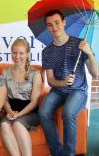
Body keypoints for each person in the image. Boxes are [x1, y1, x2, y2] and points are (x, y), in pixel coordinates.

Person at [38, 10, 98, 156]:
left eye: (57, 23)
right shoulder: (47, 52)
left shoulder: (80, 44)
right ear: (47, 28)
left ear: (64, 23)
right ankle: (57, 152)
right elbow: (51, 81)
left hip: (78, 90)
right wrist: (63, 83)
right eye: (50, 25)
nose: (54, 27)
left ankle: (69, 153)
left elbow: (95, 73)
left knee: (69, 111)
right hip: (58, 90)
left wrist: (89, 53)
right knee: (43, 112)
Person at [0, 39, 42, 156]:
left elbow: (34, 102)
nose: (17, 56)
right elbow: (4, 99)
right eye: (14, 53)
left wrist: (18, 115)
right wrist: (10, 112)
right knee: (4, 124)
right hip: (10, 111)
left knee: (17, 124)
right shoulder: (5, 72)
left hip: (30, 112)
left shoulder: (35, 74)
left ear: (27, 54)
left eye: (21, 53)